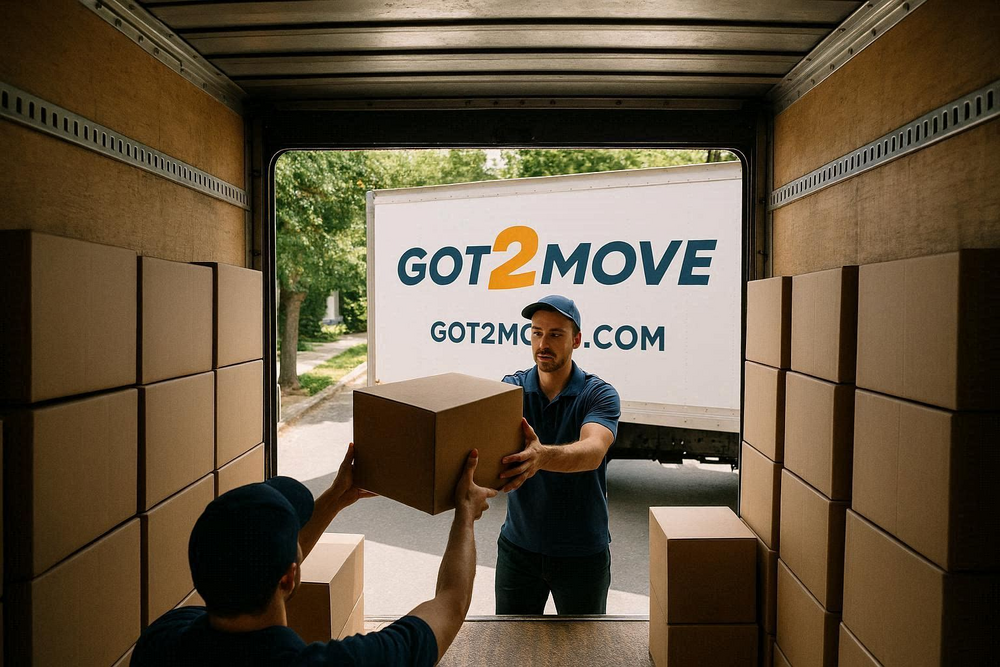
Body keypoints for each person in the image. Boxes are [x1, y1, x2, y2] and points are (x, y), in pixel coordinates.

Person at [132, 443, 497, 666]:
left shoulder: (160, 640)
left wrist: (337, 498)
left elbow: (262, 566)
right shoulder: (344, 663)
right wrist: (465, 514)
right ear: (290, 578)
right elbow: (450, 604)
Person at [496, 295, 621, 615]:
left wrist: (541, 457)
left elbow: (593, 451)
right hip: (518, 550)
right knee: (513, 649)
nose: (543, 343)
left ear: (576, 340)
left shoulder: (599, 394)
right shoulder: (512, 389)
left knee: (583, 652)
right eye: (537, 332)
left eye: (555, 334)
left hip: (583, 555)